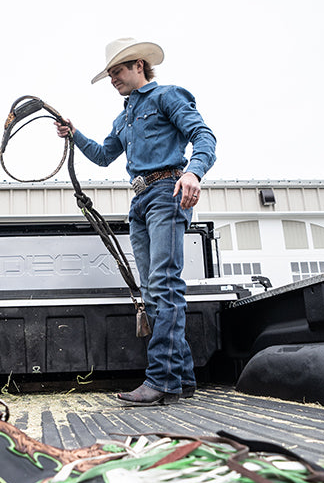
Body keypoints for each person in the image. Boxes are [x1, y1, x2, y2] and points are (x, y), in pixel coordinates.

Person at [55, 38, 217, 405]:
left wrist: (194, 172)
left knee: (163, 283)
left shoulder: (168, 96)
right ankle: (183, 379)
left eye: (118, 70)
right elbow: (101, 155)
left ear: (139, 65)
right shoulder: (123, 117)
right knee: (154, 290)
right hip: (140, 201)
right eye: (110, 73)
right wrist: (74, 134)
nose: (113, 79)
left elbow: (203, 135)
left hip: (167, 192)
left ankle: (160, 380)